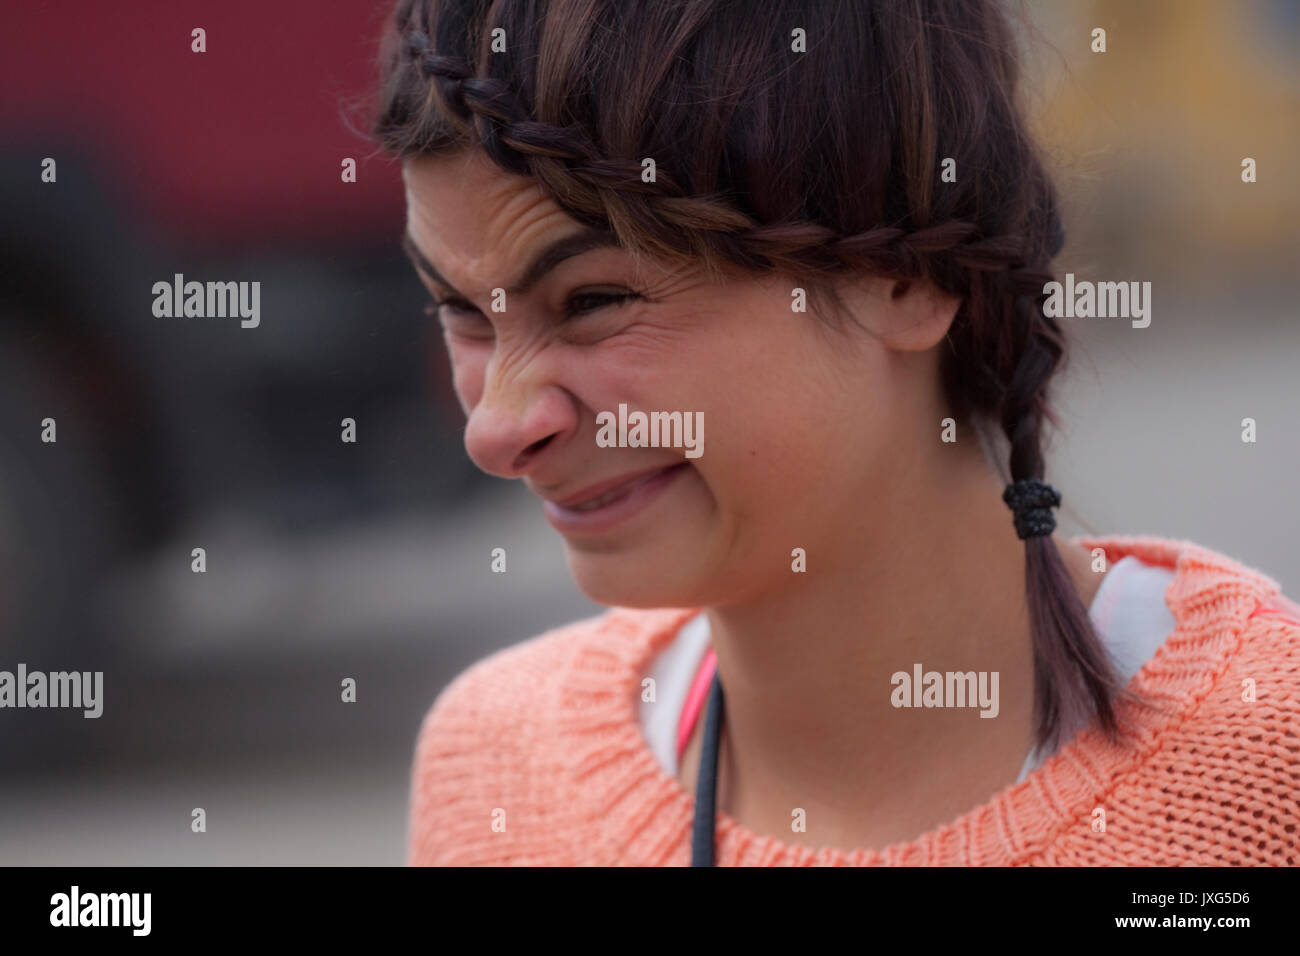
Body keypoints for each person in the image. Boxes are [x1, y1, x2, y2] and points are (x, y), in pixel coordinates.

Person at [373, 0, 1300, 865]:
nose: (494, 428)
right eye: (463, 314)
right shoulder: (494, 780)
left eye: (595, 301)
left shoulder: (1263, 768)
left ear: (906, 274)